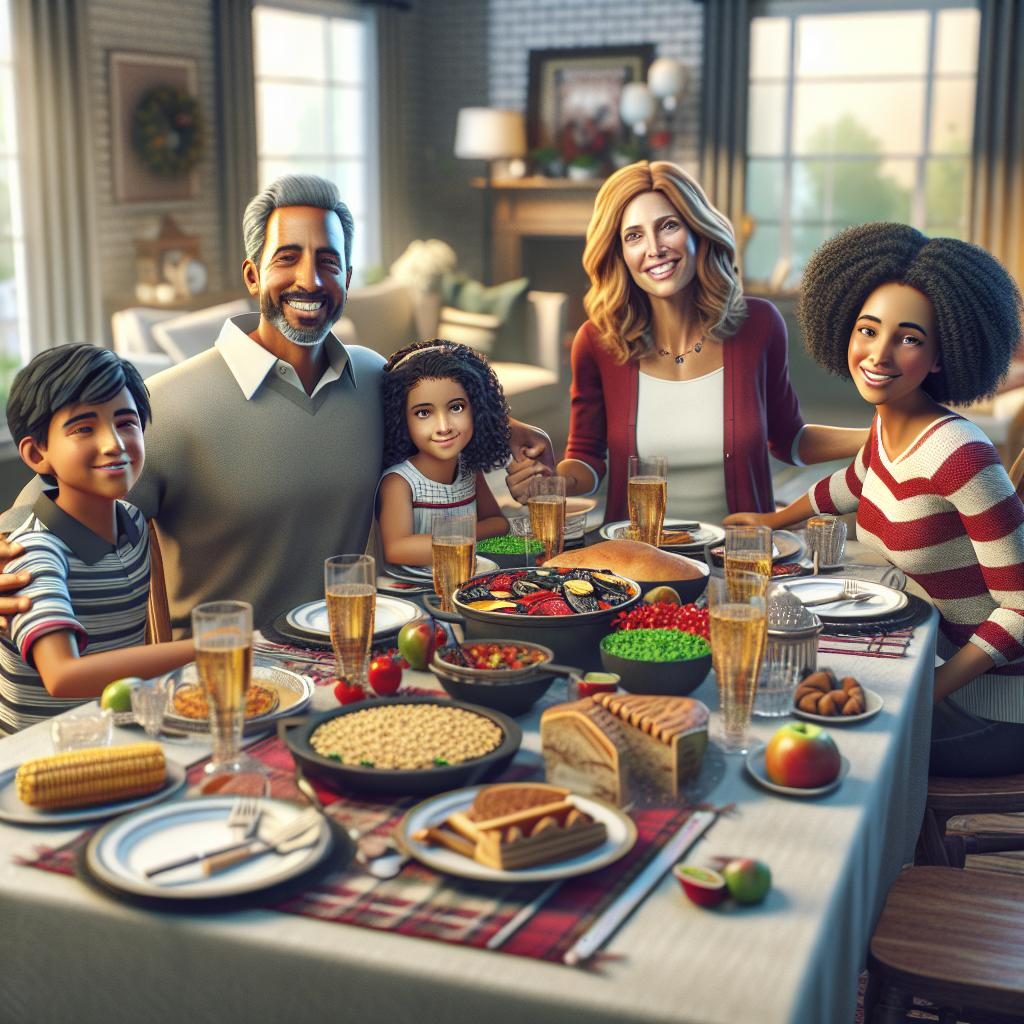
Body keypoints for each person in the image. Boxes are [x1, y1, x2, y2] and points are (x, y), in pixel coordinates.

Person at [1, 175, 549, 636]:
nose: (309, 279)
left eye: (328, 262)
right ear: (253, 275)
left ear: (347, 281)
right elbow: (43, 502)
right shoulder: (164, 405)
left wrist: (513, 428)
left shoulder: (371, 376)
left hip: (357, 648)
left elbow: (438, 396)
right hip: (223, 674)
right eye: (288, 258)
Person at [725, 222, 1024, 777]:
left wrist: (930, 688)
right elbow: (856, 483)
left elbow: (1022, 608)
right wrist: (772, 519)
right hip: (931, 661)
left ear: (941, 355)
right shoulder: (889, 426)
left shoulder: (961, 455)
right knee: (781, 695)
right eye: (868, 329)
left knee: (822, 746)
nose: (879, 354)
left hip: (994, 709)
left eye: (909, 338)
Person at [506, 160, 867, 524]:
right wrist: (553, 483)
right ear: (619, 253)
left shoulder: (759, 325)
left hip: (741, 557)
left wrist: (881, 435)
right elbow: (586, 458)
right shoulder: (597, 342)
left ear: (698, 231)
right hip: (638, 559)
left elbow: (790, 440)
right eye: (634, 236)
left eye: (668, 226)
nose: (654, 248)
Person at [0, 346, 194, 733]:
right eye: (84, 428)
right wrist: (203, 649)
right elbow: (62, 676)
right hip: (38, 754)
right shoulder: (35, 552)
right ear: (38, 454)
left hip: (113, 736)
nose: (114, 444)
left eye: (126, 422)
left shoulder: (135, 524)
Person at [378, 341, 510, 565]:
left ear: (477, 408)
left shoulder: (468, 469)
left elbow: (499, 524)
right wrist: (470, 535)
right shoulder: (399, 482)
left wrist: (445, 540)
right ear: (401, 419)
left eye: (456, 407)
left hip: (466, 578)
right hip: (414, 587)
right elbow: (397, 548)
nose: (443, 426)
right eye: (423, 413)